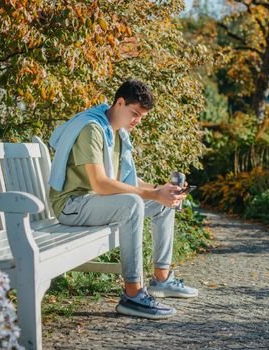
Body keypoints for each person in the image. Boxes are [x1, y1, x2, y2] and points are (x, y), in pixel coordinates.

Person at [48, 79, 198, 319]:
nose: (136, 121)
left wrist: (162, 190)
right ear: (119, 103)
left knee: (163, 202)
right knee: (132, 203)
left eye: (140, 117)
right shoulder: (92, 129)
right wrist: (151, 193)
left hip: (95, 203)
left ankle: (161, 279)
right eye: (134, 113)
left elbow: (127, 183)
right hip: (71, 205)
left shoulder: (116, 133)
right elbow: (100, 183)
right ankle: (133, 294)